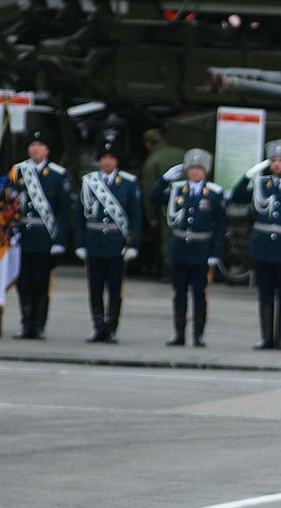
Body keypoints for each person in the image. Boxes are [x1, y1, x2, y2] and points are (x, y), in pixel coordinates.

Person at [229, 139, 281, 350]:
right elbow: (237, 196)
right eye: (274, 161)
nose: (277, 165)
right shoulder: (260, 185)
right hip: (263, 248)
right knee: (265, 293)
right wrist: (249, 175)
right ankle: (266, 337)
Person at [150, 148, 226, 347]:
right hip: (180, 248)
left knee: (200, 293)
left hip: (201, 250)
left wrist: (215, 252)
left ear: (206, 171)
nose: (194, 172)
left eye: (199, 169)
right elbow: (154, 197)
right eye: (191, 168)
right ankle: (179, 333)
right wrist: (164, 180)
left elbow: (220, 225)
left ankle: (198, 334)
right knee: (179, 292)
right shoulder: (177, 190)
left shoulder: (215, 194)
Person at [75, 135, 142, 344]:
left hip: (116, 243)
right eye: (104, 158)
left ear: (117, 161)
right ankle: (98, 327)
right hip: (94, 242)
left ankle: (111, 328)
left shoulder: (129, 183)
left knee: (114, 289)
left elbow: (135, 216)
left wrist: (133, 244)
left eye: (111, 158)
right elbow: (79, 215)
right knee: (94, 287)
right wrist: (79, 243)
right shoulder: (89, 182)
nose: (107, 162)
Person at [9, 127, 70, 339]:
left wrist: (60, 239)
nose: (35, 149)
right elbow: (7, 203)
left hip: (45, 238)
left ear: (47, 150)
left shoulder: (57, 175)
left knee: (41, 283)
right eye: (32, 146)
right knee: (23, 282)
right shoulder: (17, 172)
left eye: (40, 146)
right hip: (23, 237)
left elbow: (63, 212)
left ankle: (39, 324)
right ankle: (26, 323)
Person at [139, 128, 186, 275]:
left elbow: (148, 192)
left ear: (147, 144)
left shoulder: (152, 161)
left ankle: (170, 268)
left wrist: (151, 217)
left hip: (167, 205)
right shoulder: (182, 152)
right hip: (188, 202)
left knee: (168, 237)